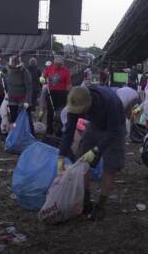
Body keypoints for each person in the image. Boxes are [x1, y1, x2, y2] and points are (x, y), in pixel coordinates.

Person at [58, 85, 127, 221]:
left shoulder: (110, 102)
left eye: (82, 110)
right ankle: (86, 199)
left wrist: (96, 150)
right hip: (95, 125)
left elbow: (113, 132)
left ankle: (101, 205)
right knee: (82, 160)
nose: (79, 112)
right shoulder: (76, 101)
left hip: (115, 127)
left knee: (110, 166)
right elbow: (69, 131)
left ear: (89, 102)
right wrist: (61, 155)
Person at [42, 55, 71, 137]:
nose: (58, 66)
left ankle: (59, 130)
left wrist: (68, 93)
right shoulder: (49, 68)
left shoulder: (66, 71)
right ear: (54, 62)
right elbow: (43, 76)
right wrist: (42, 79)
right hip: (50, 92)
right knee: (50, 111)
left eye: (59, 64)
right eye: (56, 64)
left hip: (61, 93)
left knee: (60, 112)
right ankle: (49, 130)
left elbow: (68, 83)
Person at [0, 55, 33, 129]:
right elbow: (3, 70)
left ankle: (30, 131)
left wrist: (27, 101)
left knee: (26, 116)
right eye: (12, 67)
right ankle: (13, 132)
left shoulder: (24, 72)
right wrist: (0, 73)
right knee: (13, 117)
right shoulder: (8, 68)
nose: (14, 69)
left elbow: (29, 87)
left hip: (22, 98)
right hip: (12, 97)